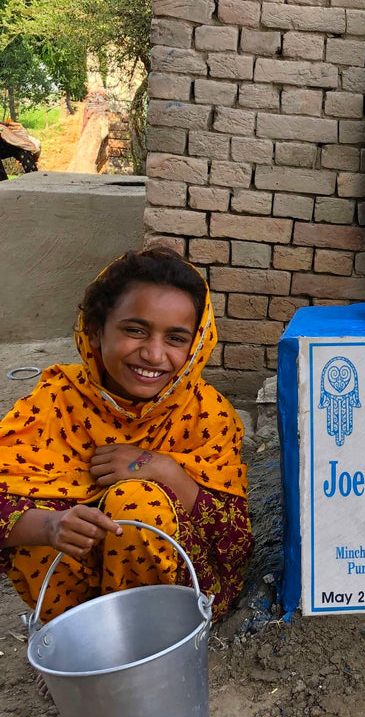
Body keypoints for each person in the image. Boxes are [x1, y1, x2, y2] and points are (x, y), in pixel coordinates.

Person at [0, 247, 253, 623]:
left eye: (176, 339)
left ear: (197, 345)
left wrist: (164, 470)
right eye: (135, 330)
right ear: (97, 330)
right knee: (36, 529)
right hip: (78, 597)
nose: (153, 354)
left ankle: (145, 649)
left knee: (136, 502)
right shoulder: (56, 401)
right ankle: (80, 646)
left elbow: (233, 544)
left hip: (179, 596)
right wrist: (52, 526)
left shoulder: (206, 415)